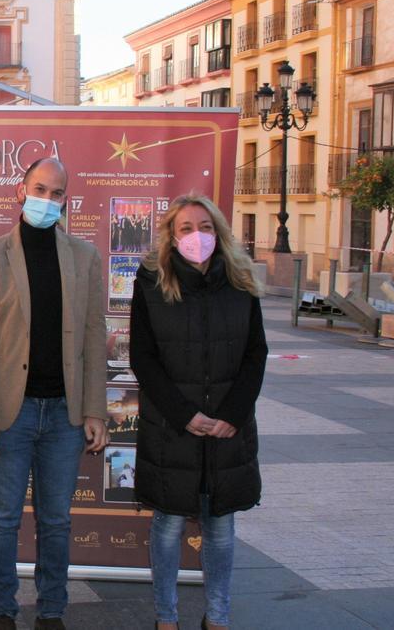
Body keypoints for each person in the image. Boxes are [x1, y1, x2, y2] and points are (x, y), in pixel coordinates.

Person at [0, 157, 108, 630]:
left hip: (65, 415)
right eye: (40, 189)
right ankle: (2, 610)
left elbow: (92, 336)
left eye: (57, 193)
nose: (48, 199)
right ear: (20, 193)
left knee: (57, 522)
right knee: (2, 520)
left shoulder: (86, 257)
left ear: (67, 199)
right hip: (11, 413)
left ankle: (51, 611)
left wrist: (95, 409)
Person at [129, 192, 267, 630]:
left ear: (219, 232)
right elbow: (143, 357)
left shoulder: (242, 280)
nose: (196, 236)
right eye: (186, 228)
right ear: (171, 235)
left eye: (205, 228)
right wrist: (184, 414)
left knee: (221, 528)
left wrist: (233, 414)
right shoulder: (151, 280)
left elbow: (255, 354)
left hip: (228, 429)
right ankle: (166, 619)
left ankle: (218, 617)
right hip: (174, 428)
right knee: (167, 525)